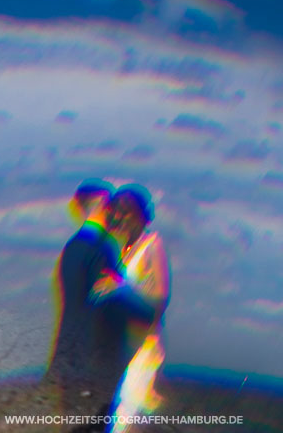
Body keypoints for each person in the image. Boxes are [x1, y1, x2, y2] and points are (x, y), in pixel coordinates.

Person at [90, 185, 170, 431]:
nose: (119, 218)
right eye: (116, 212)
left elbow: (159, 298)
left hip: (143, 351)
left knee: (123, 423)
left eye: (126, 212)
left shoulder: (151, 246)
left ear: (140, 215)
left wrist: (119, 289)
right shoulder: (124, 251)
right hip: (124, 349)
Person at [46, 179, 120, 406]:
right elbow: (106, 298)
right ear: (102, 206)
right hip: (93, 355)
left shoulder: (72, 247)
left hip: (69, 351)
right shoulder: (103, 246)